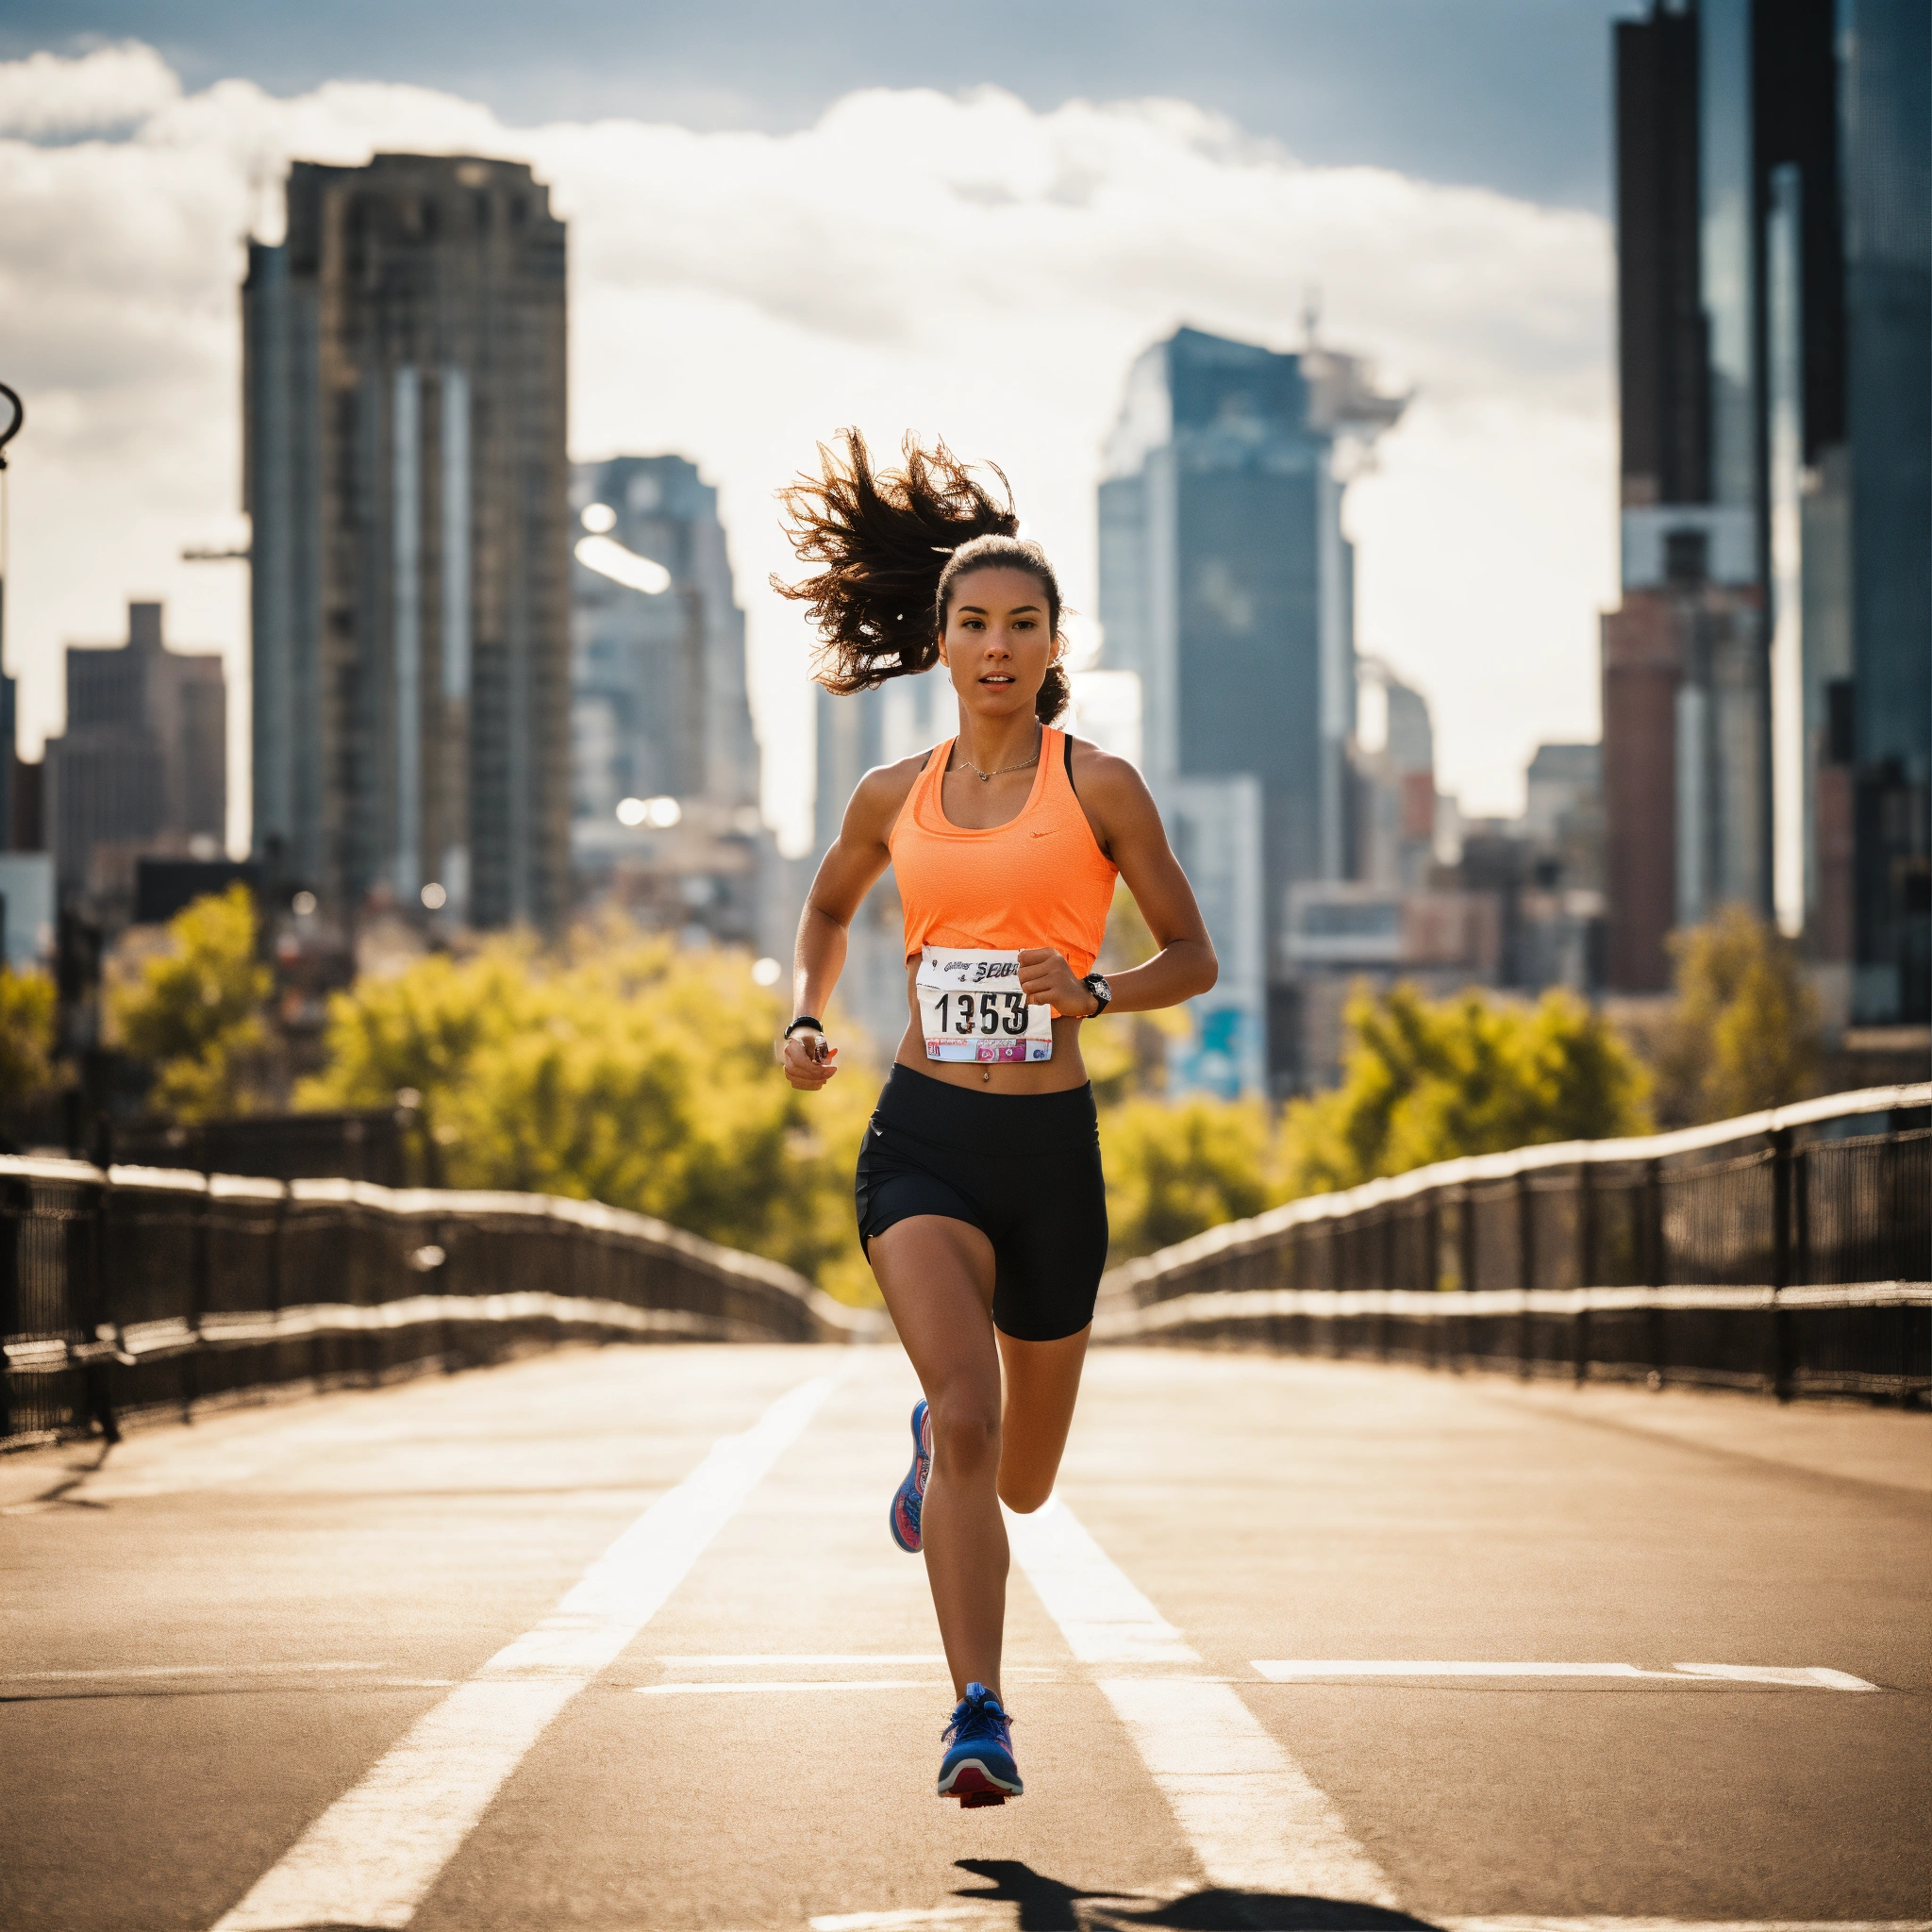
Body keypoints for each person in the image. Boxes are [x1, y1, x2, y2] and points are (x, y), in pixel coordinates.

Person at [775, 431, 1217, 1806]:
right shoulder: (891, 798)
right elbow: (828, 909)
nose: (997, 647)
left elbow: (1194, 956)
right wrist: (806, 1016)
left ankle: (940, 1456)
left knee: (1021, 1479)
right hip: (923, 1143)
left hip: (1049, 1160)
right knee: (969, 1415)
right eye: (974, 624)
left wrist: (1096, 990)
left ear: (1053, 645)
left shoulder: (1100, 787)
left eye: (1024, 624)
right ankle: (978, 1713)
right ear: (942, 643)